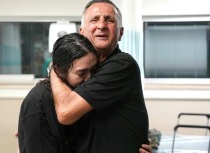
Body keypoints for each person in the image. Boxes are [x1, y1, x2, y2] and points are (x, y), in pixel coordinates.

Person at [50, 0, 151, 153]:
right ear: (81, 32)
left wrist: (54, 69)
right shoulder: (87, 71)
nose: (102, 25)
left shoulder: (121, 65)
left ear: (121, 33)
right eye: (95, 19)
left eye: (109, 20)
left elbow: (65, 112)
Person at [17, 33, 98, 153]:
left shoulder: (78, 94)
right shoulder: (38, 101)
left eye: (94, 70)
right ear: (59, 71)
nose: (89, 78)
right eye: (81, 73)